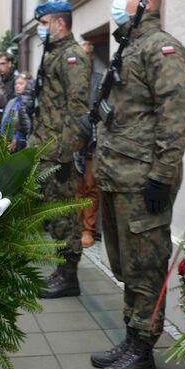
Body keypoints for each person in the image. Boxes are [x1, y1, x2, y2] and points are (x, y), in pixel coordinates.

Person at [89, 0, 185, 369]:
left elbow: (176, 114)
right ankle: (132, 336)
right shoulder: (129, 47)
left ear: (148, 2)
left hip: (142, 180)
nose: (117, 2)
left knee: (146, 267)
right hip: (117, 175)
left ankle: (144, 349)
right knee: (126, 266)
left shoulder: (161, 49)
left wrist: (162, 177)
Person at [27, 1, 90, 298]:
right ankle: (62, 270)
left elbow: (77, 109)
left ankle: (69, 276)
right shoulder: (53, 53)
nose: (40, 28)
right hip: (46, 148)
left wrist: (67, 154)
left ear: (59, 24)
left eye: (43, 22)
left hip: (58, 152)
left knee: (64, 215)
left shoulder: (71, 57)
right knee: (53, 214)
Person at [76, 41, 102, 248]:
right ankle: (75, 227)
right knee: (75, 187)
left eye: (87, 55)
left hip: (93, 143)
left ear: (92, 57)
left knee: (91, 187)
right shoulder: (72, 79)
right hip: (73, 142)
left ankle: (88, 229)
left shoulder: (100, 81)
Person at [0, 73, 32, 152]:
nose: (17, 86)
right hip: (6, 141)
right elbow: (5, 120)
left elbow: (26, 125)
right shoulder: (12, 101)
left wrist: (16, 139)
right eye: (16, 84)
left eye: (21, 84)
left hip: (21, 142)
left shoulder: (30, 102)